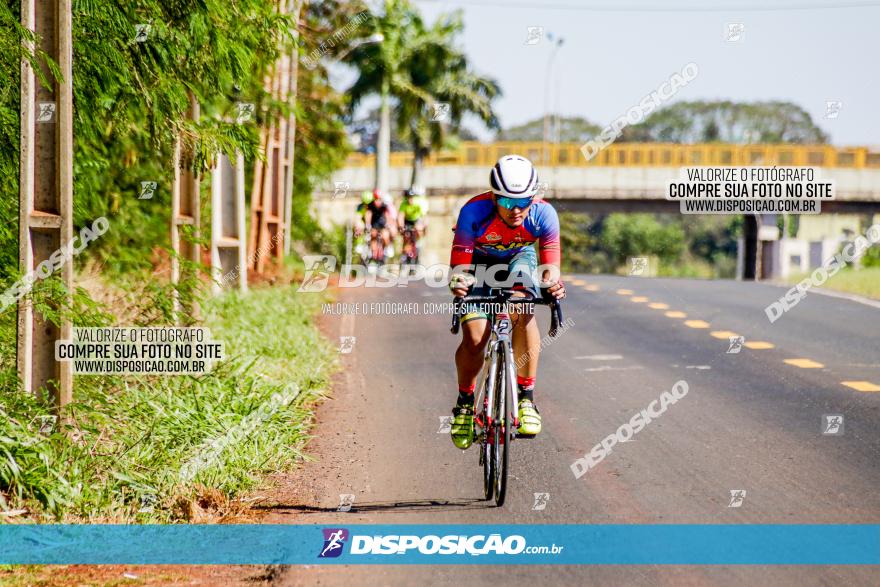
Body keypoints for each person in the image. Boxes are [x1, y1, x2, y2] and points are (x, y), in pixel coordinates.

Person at [447, 155, 565, 450]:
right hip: (479, 262)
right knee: (475, 337)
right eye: (508, 203)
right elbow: (459, 266)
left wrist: (552, 284)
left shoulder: (544, 214)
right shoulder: (473, 211)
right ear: (495, 197)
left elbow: (550, 267)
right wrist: (459, 283)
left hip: (519, 258)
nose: (517, 210)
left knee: (524, 308)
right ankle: (464, 404)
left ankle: (526, 399)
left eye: (524, 202)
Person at [397, 185, 429, 262]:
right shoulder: (403, 204)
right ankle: (405, 253)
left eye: (411, 198)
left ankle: (418, 243)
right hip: (407, 221)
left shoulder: (418, 203)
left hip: (416, 220)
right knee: (406, 235)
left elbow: (424, 216)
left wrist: (424, 225)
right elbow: (400, 217)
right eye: (408, 198)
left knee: (418, 229)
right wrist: (401, 227)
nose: (410, 200)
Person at [363, 189, 395, 262]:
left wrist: (389, 224)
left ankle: (388, 247)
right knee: (373, 235)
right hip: (374, 225)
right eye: (376, 199)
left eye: (379, 199)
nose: (377, 201)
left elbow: (388, 215)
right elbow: (368, 215)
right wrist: (367, 225)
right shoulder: (370, 205)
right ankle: (372, 253)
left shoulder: (384, 206)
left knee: (385, 235)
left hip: (383, 225)